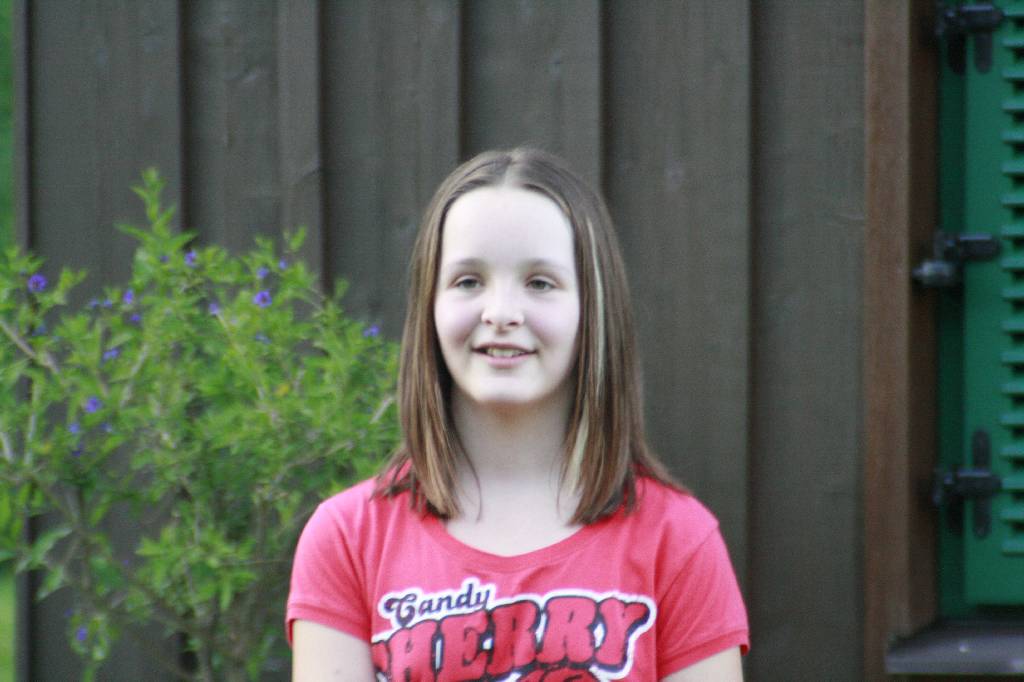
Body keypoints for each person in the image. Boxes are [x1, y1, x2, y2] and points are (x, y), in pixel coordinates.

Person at [287, 148, 749, 681]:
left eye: (540, 283)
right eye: (468, 281)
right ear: (429, 307)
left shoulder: (679, 541)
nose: (502, 313)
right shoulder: (347, 539)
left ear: (592, 310)